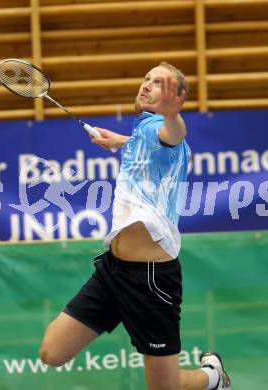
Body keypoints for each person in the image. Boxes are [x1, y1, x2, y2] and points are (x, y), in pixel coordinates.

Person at [40, 62, 231, 390]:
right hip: (113, 272)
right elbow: (150, 144)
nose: (146, 85)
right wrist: (122, 141)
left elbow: (172, 136)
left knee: (163, 388)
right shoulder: (142, 132)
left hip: (151, 280)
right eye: (146, 79)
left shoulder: (163, 128)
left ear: (176, 97)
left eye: (159, 83)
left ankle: (212, 377)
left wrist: (172, 116)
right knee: (51, 352)